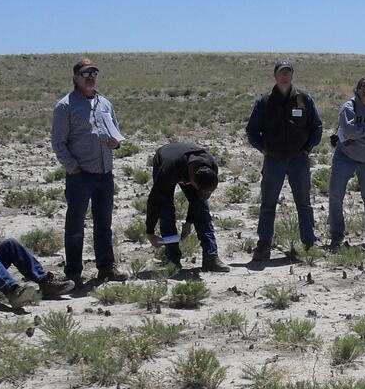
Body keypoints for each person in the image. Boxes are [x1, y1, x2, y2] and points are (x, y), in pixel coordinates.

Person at [51, 58, 126, 285]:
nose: (91, 77)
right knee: (75, 226)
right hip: (80, 175)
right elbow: (58, 142)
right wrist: (73, 168)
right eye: (86, 74)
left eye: (94, 73)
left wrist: (116, 143)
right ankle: (73, 272)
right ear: (76, 78)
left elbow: (116, 131)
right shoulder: (65, 106)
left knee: (104, 224)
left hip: (105, 173)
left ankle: (106, 267)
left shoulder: (105, 103)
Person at [245, 60, 322, 261]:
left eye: (288, 72)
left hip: (299, 160)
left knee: (304, 204)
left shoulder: (305, 98)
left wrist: (307, 149)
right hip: (274, 160)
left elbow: (317, 127)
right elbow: (252, 130)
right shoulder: (264, 101)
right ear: (275, 75)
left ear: (292, 75)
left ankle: (309, 243)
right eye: (281, 72)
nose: (284, 76)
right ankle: (263, 246)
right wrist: (264, 149)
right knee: (268, 204)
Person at [144, 143, 229, 272]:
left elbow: (198, 200)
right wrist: (150, 232)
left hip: (189, 169)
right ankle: (173, 259)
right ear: (192, 182)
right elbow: (154, 201)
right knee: (166, 210)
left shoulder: (211, 167)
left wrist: (189, 222)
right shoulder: (168, 169)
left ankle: (211, 258)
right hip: (169, 161)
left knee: (203, 211)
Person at [327, 78, 365, 248]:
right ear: (357, 90)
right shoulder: (348, 107)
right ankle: (336, 235)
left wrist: (362, 134)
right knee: (335, 196)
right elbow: (349, 131)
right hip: (345, 156)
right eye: (362, 87)